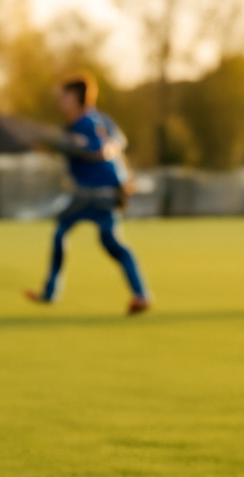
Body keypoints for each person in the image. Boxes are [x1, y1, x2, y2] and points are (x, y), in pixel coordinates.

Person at [24, 73, 151, 314]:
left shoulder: (85, 124)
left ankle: (50, 292)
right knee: (111, 242)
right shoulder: (99, 119)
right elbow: (118, 142)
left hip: (93, 194)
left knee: (61, 231)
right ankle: (141, 294)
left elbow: (97, 149)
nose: (59, 102)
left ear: (74, 97)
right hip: (111, 191)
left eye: (63, 97)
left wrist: (63, 144)